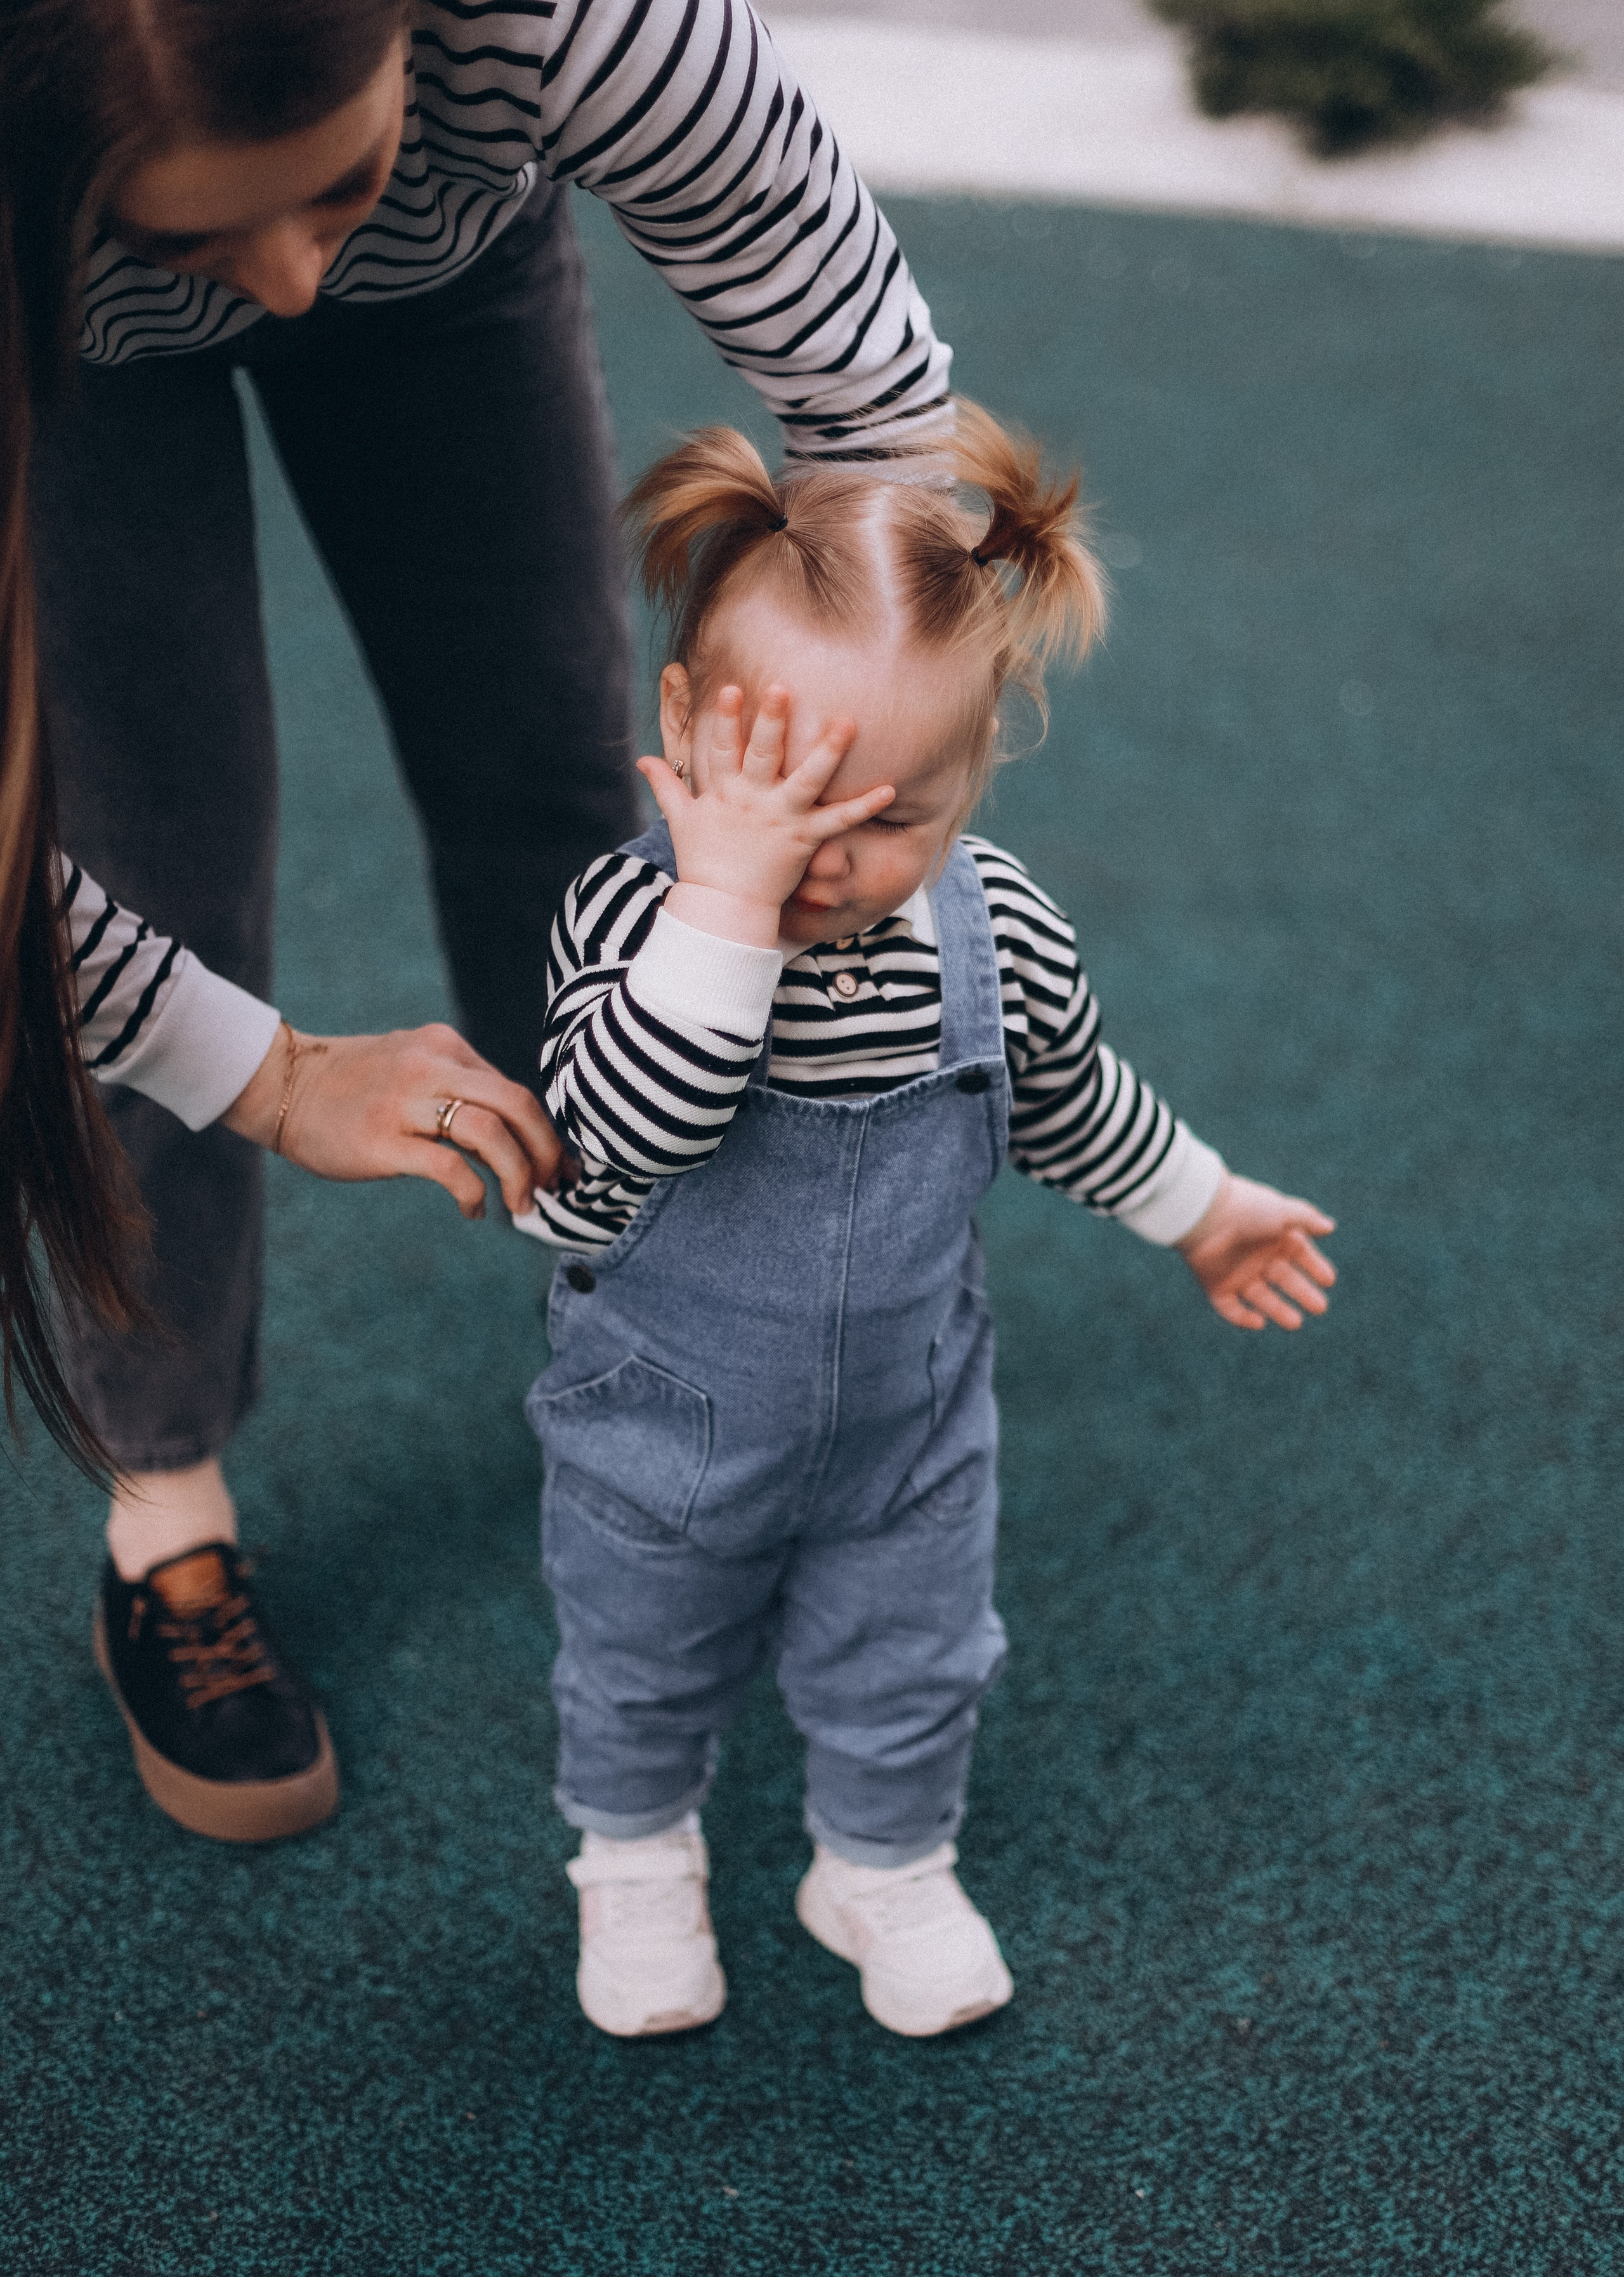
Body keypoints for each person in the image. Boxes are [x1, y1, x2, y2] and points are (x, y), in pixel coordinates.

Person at [0, 0, 952, 1840]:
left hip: (452, 272)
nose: (281, 283)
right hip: (65, 348)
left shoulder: (580, 24)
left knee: (551, 784)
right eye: (199, 228)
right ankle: (165, 1488)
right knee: (149, 860)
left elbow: (873, 402)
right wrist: (263, 1071)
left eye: (325, 187)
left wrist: (872, 750)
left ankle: (680, 1351)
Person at [524, 408, 1338, 2039]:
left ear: (967, 788)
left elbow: (1068, 1096)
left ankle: (880, 1862)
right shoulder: (631, 919)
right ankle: (631, 1851)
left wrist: (1202, 1206)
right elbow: (623, 1134)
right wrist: (721, 902)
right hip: (662, 1421)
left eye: (887, 816)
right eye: (780, 790)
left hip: (905, 1412)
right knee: (640, 1654)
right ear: (680, 722)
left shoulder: (990, 928)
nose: (821, 857)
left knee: (915, 1655)